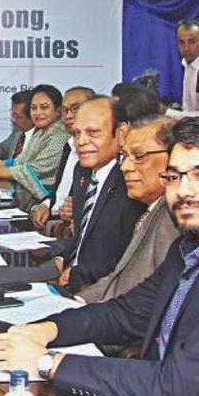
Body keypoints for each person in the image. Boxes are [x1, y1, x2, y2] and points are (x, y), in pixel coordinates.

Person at [0, 116, 199, 396]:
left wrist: (47, 362)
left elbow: (175, 387)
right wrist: (46, 330)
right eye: (174, 177)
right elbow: (127, 313)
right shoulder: (193, 243)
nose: (184, 191)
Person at [77, 114, 180, 303]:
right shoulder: (152, 210)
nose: (125, 167)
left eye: (139, 157)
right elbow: (118, 280)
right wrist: (75, 302)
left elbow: (147, 301)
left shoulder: (173, 218)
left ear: (175, 159)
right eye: (123, 156)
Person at [54, 97, 145, 292]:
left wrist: (78, 275)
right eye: (77, 133)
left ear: (120, 133)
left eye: (93, 133)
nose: (81, 142)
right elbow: (83, 235)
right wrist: (62, 257)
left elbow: (125, 257)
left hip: (102, 289)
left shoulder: (131, 180)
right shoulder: (82, 171)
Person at [0, 84, 70, 212]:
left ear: (58, 110)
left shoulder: (60, 136)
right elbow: (18, 162)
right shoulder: (41, 132)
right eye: (34, 108)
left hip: (48, 206)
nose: (38, 113)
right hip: (31, 200)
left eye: (44, 107)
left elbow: (30, 171)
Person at [29, 86, 95, 230]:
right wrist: (46, 204)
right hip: (52, 221)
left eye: (75, 109)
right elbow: (60, 190)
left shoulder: (95, 153)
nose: (69, 115)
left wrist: (79, 210)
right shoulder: (69, 146)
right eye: (65, 110)